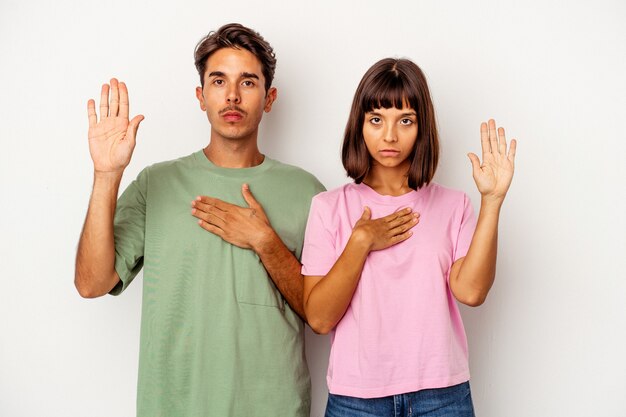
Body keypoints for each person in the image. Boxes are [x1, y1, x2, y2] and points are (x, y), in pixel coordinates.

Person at [75, 23, 324, 416]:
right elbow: (91, 283)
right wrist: (107, 175)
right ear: (201, 96)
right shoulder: (156, 183)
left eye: (248, 82)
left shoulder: (307, 191)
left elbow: (322, 315)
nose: (232, 95)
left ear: (269, 97)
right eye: (218, 81)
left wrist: (265, 242)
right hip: (173, 406)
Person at [302, 58, 517, 416]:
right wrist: (360, 243)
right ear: (359, 125)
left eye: (405, 120)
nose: (389, 136)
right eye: (376, 120)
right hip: (357, 399)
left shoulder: (453, 204)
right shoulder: (328, 207)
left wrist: (491, 202)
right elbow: (320, 319)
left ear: (422, 127)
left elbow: (472, 291)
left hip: (441, 395)